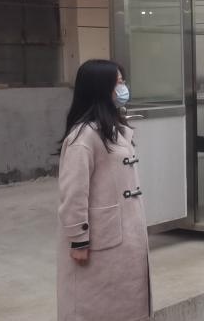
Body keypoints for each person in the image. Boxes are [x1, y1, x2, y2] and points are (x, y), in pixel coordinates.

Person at [57, 59, 150, 321]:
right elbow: (73, 193)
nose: (123, 88)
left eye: (123, 82)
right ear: (100, 88)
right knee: (95, 306)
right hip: (99, 239)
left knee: (126, 303)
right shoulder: (83, 137)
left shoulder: (114, 129)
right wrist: (78, 238)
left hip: (124, 234)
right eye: (118, 83)